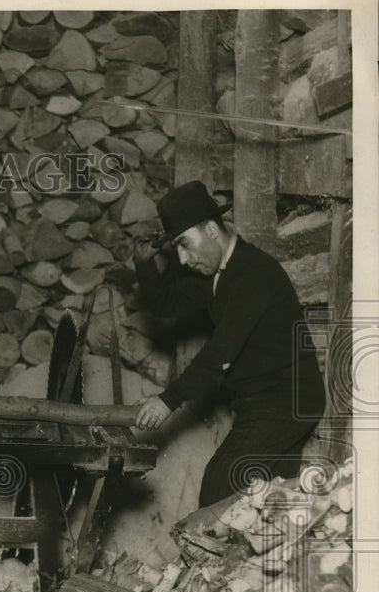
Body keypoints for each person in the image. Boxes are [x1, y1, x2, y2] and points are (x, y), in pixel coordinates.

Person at [133, 180, 326, 506]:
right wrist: (143, 264)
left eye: (184, 244)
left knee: (220, 485)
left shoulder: (252, 274)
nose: (181, 259)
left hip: (286, 401)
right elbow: (166, 305)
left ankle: (213, 557)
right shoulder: (215, 276)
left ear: (210, 229)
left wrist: (167, 400)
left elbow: (222, 351)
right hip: (265, 402)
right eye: (176, 248)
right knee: (272, 503)